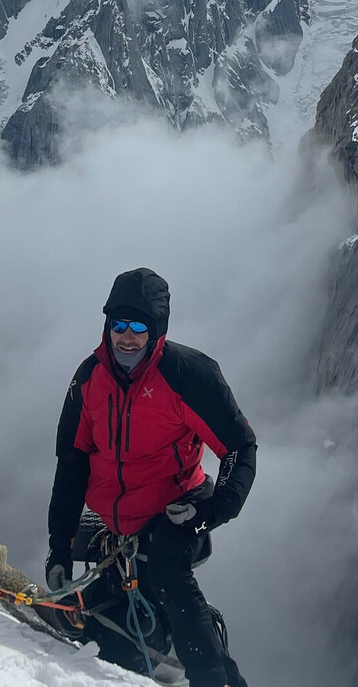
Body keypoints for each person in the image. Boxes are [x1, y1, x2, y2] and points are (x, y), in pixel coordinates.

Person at [46, 268, 257, 687]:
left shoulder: (187, 375)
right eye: (118, 325)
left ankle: (216, 680)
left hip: (178, 506)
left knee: (167, 571)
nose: (126, 336)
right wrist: (59, 550)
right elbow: (71, 465)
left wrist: (209, 512)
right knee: (113, 633)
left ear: (156, 329)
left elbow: (239, 447)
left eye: (138, 326)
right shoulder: (89, 379)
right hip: (114, 518)